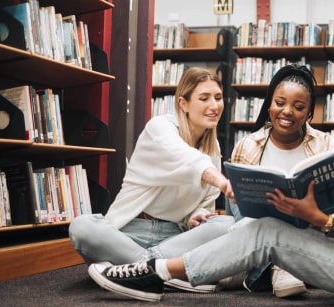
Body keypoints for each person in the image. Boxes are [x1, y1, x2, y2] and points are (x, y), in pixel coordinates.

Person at [88, 54, 334, 307]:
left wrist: (316, 219)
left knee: (270, 232)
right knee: (265, 229)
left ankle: (154, 272)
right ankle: (160, 270)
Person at [69, 67, 235, 293]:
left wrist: (194, 217)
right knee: (82, 227)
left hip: (173, 238)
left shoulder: (212, 149)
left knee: (228, 225)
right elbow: (185, 158)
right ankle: (162, 271)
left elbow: (200, 207)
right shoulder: (160, 127)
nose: (214, 106)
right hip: (129, 232)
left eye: (217, 98)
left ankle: (138, 271)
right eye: (204, 98)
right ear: (183, 104)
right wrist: (222, 181)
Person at [221, 63, 334, 298]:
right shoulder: (248, 144)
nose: (287, 111)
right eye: (279, 103)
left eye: (298, 107)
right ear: (269, 105)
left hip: (309, 224)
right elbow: (238, 209)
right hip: (260, 224)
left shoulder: (324, 144)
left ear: (308, 113)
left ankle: (259, 269)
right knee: (247, 219)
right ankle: (286, 266)